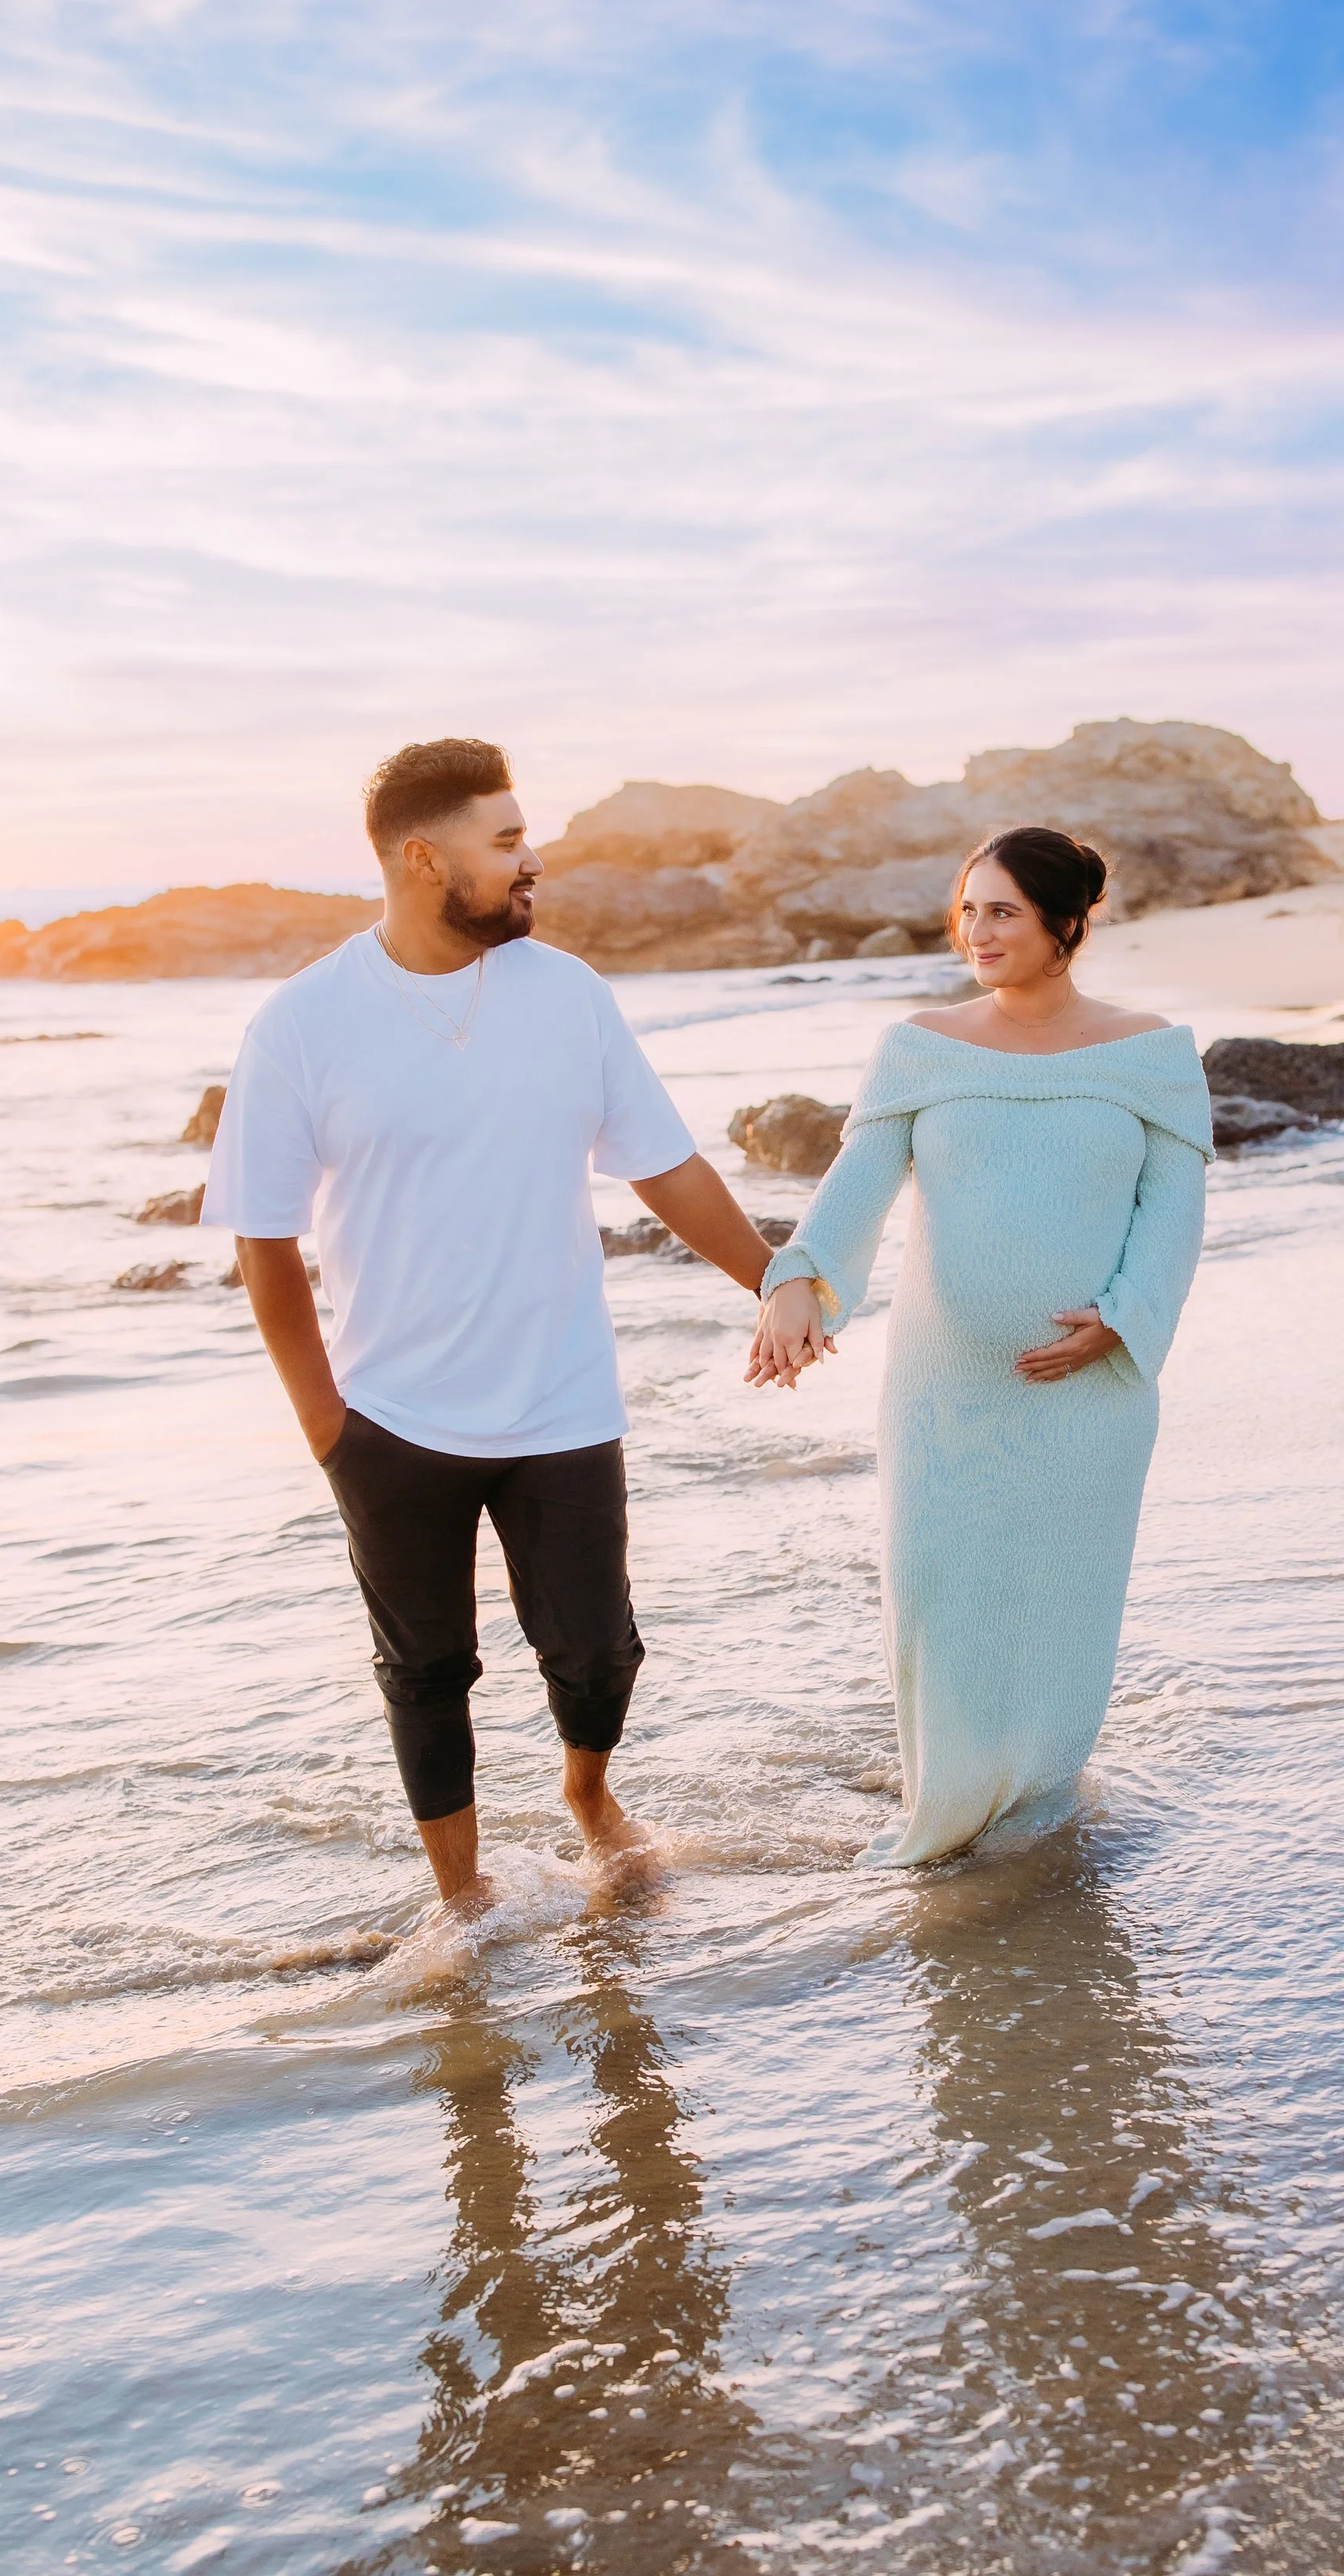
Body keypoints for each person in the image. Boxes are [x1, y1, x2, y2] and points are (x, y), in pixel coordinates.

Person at [203, 738, 777, 1916]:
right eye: (507, 841)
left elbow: (664, 1168)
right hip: (390, 1416)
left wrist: (777, 1277)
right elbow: (262, 1237)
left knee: (600, 1650)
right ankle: (461, 1900)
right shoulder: (303, 1023)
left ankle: (587, 1794)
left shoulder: (567, 993)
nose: (534, 859)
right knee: (426, 1672)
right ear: (424, 859)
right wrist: (325, 1421)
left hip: (562, 1396)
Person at [747, 825, 1213, 1866]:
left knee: (1060, 1605)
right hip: (944, 1394)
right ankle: (948, 1808)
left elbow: (1174, 1212)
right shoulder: (923, 1045)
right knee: (942, 1599)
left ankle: (1036, 1814)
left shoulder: (1152, 1054)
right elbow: (857, 1186)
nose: (977, 931)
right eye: (968, 909)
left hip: (1092, 1395)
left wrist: (1125, 1318)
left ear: (1067, 923)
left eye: (1003, 911)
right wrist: (796, 1283)